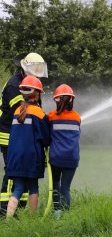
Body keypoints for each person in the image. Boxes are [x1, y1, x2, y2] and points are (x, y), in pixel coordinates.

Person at [0, 52, 48, 216]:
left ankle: (15, 212)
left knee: (19, 179)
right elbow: (21, 115)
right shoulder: (14, 85)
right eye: (35, 68)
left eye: (40, 69)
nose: (38, 72)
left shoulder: (28, 83)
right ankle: (3, 210)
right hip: (10, 136)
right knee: (12, 174)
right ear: (25, 67)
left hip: (20, 138)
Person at [48, 84, 81, 218]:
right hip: (72, 158)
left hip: (56, 158)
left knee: (56, 185)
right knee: (66, 188)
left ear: (56, 100)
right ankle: (66, 217)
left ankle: (57, 214)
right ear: (71, 100)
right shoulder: (77, 117)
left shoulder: (51, 116)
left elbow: (47, 135)